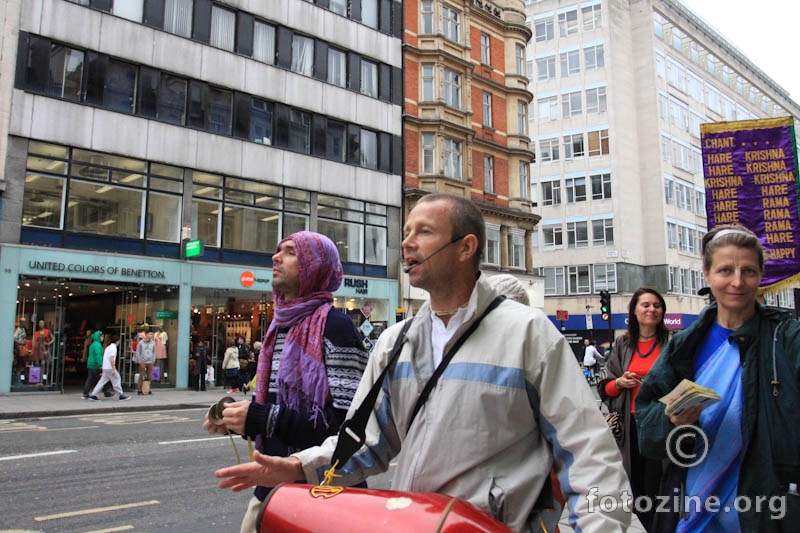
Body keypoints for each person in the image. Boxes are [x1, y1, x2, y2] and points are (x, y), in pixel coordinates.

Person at [213, 194, 630, 531]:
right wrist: (296, 467)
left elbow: (589, 454)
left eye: (424, 232)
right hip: (417, 523)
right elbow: (365, 441)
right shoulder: (396, 341)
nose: (407, 243)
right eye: (406, 232)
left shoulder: (529, 333)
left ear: (466, 247)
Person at [636, 224, 800, 532]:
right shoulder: (683, 347)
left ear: (761, 276)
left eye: (748, 271)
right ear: (707, 275)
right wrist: (672, 420)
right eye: (725, 270)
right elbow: (648, 431)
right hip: (696, 509)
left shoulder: (787, 338)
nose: (737, 282)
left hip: (766, 512)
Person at [202, 231, 369, 532]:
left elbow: (349, 431)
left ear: (315, 266)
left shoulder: (337, 328)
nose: (275, 257)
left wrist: (262, 417)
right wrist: (240, 420)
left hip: (325, 497)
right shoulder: (278, 328)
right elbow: (278, 415)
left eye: (290, 252)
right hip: (271, 493)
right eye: (278, 250)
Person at [598, 287, 669, 531]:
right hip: (630, 428)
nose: (652, 310)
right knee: (635, 489)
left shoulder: (672, 343)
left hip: (662, 427)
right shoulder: (623, 344)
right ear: (635, 311)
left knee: (658, 487)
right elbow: (605, 388)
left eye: (657, 306)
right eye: (646, 305)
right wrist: (619, 383)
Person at [88, 333, 131, 401]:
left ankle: (94, 394)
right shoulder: (114, 348)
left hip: (105, 367)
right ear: (117, 341)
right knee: (117, 379)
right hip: (110, 367)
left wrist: (103, 367)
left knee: (102, 381)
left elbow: (105, 358)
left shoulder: (108, 347)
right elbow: (112, 358)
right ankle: (121, 394)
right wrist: (113, 368)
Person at [135, 329, 156, 395]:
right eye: (150, 334)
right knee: (142, 375)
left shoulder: (153, 343)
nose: (151, 335)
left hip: (150, 361)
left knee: (149, 376)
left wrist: (153, 360)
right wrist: (139, 360)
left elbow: (154, 352)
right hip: (143, 361)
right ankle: (139, 389)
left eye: (152, 334)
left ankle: (147, 389)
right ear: (146, 334)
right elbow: (138, 352)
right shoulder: (141, 343)